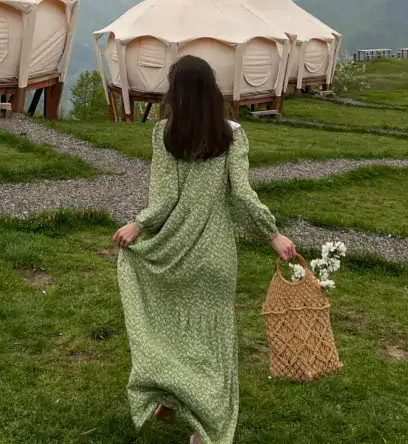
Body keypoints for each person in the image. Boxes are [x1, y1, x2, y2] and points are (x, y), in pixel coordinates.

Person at [113, 54, 297, 444]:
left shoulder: (164, 133)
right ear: (212, 89)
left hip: (175, 252)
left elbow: (163, 199)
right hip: (215, 255)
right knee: (213, 344)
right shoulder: (232, 134)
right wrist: (273, 235)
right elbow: (243, 196)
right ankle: (203, 430)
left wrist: (138, 224)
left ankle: (171, 393)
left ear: (175, 92)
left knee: (171, 328)